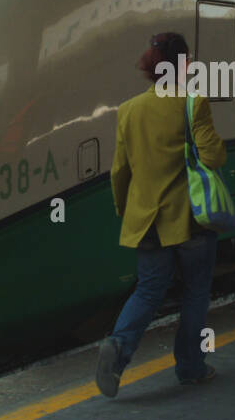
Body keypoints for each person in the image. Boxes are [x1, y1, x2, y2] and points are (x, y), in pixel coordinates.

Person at [95, 32, 226, 397]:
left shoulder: (129, 109)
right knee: (196, 291)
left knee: (149, 289)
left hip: (147, 220)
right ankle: (190, 367)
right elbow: (212, 157)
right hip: (189, 220)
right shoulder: (193, 102)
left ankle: (118, 349)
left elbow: (119, 171)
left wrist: (126, 210)